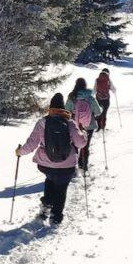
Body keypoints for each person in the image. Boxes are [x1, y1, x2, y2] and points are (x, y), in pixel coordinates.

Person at [16, 93, 87, 226]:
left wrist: (19, 152)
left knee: (50, 180)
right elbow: (80, 143)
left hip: (46, 165)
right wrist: (84, 134)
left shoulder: (42, 122)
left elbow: (31, 145)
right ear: (63, 107)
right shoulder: (70, 122)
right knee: (61, 188)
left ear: (51, 107)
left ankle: (46, 205)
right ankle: (56, 217)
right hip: (66, 166)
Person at [65, 76, 103, 172]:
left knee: (74, 145)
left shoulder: (71, 97)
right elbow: (98, 112)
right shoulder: (90, 97)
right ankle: (83, 165)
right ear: (85, 86)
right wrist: (100, 109)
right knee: (85, 146)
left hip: (75, 126)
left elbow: (66, 112)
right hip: (89, 125)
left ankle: (73, 166)